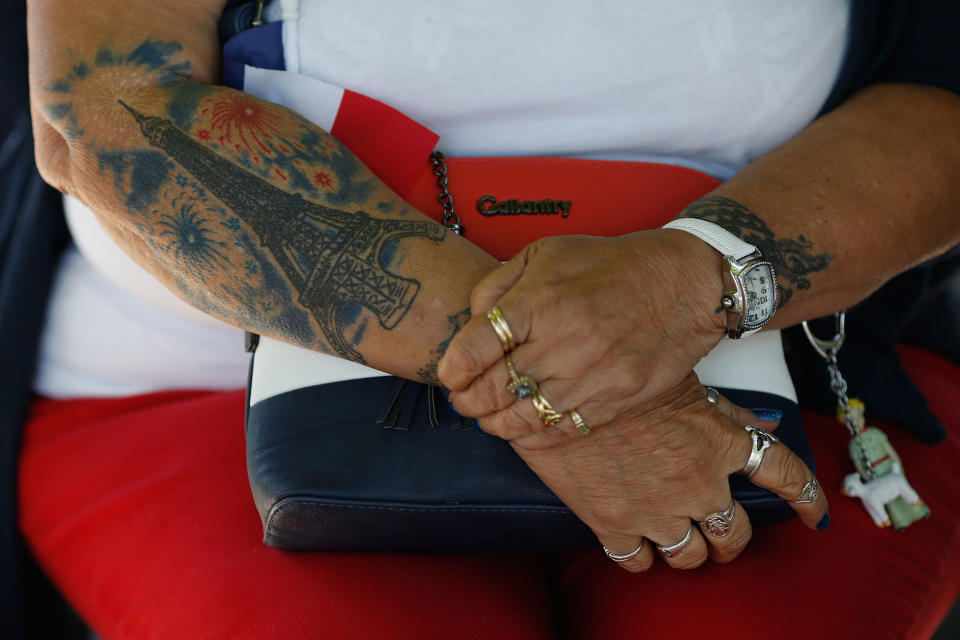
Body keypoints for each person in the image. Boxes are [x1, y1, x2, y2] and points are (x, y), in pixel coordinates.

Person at [17, 0, 960, 638]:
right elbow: (106, 105)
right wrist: (561, 385)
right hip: (209, 390)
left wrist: (681, 288)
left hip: (763, 376)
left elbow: (941, 85)